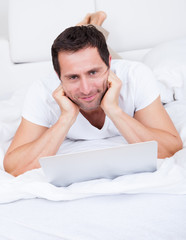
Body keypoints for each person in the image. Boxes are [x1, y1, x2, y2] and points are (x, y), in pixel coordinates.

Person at [4, 12, 182, 176]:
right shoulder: (42, 91)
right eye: (73, 77)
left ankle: (95, 26)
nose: (86, 89)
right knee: (86, 59)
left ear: (109, 65)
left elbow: (170, 149)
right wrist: (66, 118)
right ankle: (92, 28)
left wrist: (114, 110)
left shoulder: (136, 75)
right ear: (58, 76)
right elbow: (14, 167)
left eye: (93, 73)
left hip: (119, 71)